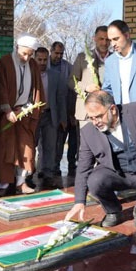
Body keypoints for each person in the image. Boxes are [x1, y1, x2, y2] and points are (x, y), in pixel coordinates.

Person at [65, 91, 136, 229]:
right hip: (115, 173)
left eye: (99, 116)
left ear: (112, 109)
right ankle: (113, 211)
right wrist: (79, 201)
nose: (95, 122)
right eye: (91, 118)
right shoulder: (88, 132)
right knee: (95, 181)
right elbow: (84, 167)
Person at [0, 33, 43, 195]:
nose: (26, 58)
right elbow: (1, 88)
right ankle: (3, 184)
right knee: (6, 149)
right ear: (16, 48)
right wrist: (7, 110)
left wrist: (28, 108)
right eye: (24, 54)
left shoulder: (33, 65)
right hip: (7, 114)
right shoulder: (5, 61)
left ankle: (21, 182)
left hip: (25, 113)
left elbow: (36, 89)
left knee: (26, 149)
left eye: (30, 55)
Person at [34, 47, 67, 188]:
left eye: (44, 60)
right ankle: (28, 174)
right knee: (31, 145)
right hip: (33, 116)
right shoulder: (30, 74)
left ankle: (48, 174)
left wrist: (63, 118)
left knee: (50, 146)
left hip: (50, 115)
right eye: (39, 59)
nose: (42, 62)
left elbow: (60, 98)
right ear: (34, 59)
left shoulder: (54, 75)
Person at [69, 25, 112, 129]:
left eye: (107, 40)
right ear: (94, 39)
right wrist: (86, 87)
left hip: (108, 110)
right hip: (86, 113)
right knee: (86, 139)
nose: (104, 43)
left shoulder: (115, 58)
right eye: (101, 39)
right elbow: (71, 81)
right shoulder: (82, 57)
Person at [50, 41, 77, 175]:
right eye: (56, 53)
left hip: (68, 109)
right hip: (51, 110)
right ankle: (53, 167)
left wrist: (71, 113)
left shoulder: (68, 67)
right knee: (56, 142)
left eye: (61, 54)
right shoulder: (45, 66)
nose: (59, 56)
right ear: (51, 51)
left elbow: (73, 90)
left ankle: (72, 166)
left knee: (72, 142)